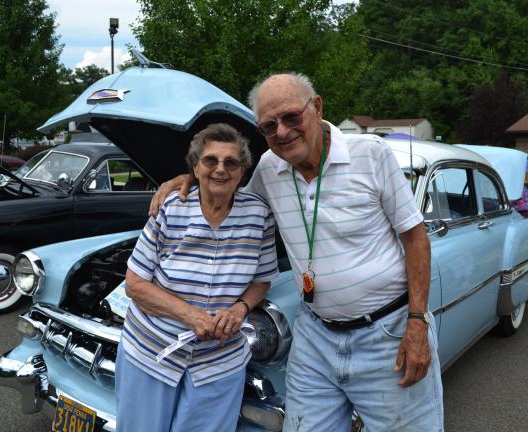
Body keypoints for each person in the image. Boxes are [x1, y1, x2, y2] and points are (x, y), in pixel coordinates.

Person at [150, 73, 443, 431]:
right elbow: (228, 196)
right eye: (270, 126)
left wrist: (417, 323)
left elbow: (416, 238)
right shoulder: (269, 170)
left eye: (292, 117)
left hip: (386, 333)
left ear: (316, 107)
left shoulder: (371, 154)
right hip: (315, 336)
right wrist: (188, 181)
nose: (283, 132)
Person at [117, 123, 279, 432]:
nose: (221, 169)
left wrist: (239, 309)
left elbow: (262, 280)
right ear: (195, 167)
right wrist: (192, 317)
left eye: (231, 162)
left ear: (243, 171)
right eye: (210, 161)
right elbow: (135, 285)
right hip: (153, 349)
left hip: (220, 359)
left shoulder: (258, 215)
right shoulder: (171, 207)